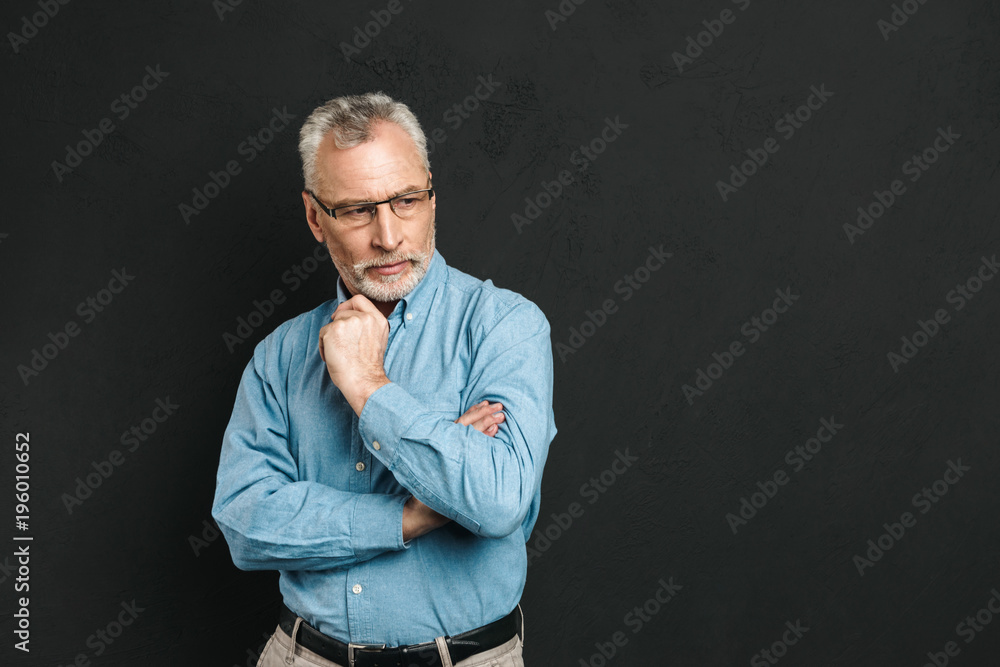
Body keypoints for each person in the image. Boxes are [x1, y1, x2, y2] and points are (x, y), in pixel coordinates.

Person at [211, 91, 557, 667]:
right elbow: (246, 522)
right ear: (314, 217)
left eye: (405, 201)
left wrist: (367, 385)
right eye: (356, 210)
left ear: (431, 195)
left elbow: (497, 502)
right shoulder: (279, 355)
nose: (389, 236)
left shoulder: (507, 326)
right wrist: (411, 515)